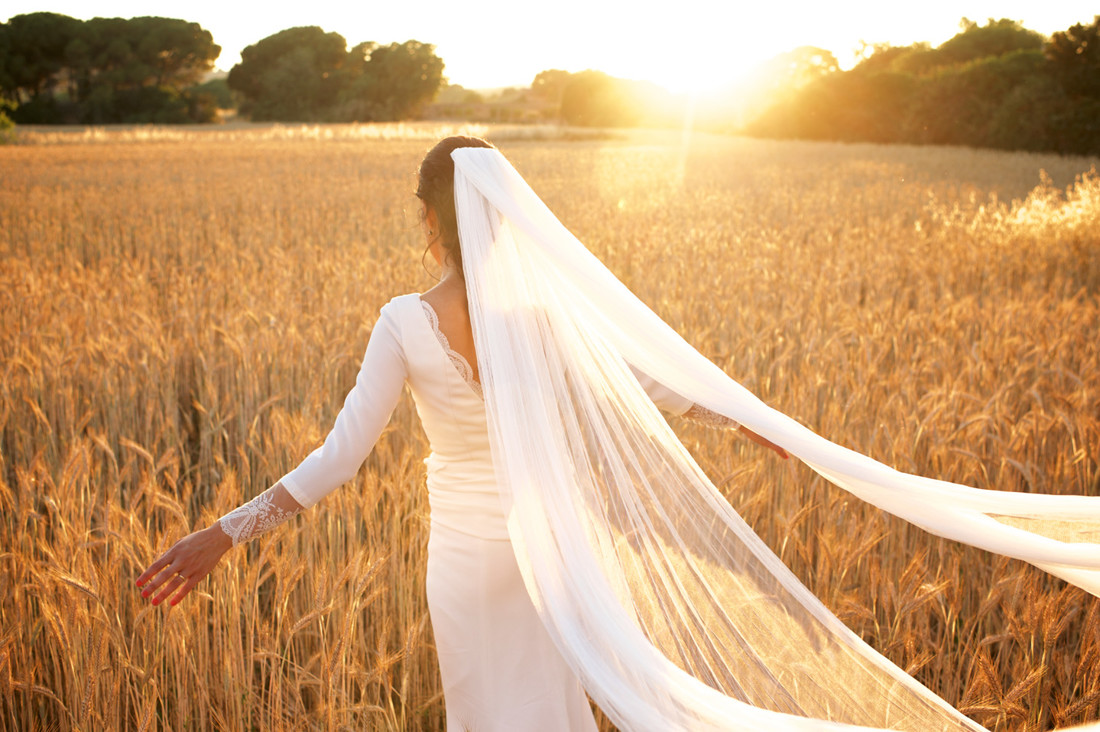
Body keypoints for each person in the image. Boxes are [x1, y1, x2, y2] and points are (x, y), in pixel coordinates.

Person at [138, 137, 1100, 731]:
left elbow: (339, 458)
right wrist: (756, 422)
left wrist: (222, 532)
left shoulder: (403, 320)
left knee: (486, 716)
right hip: (551, 551)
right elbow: (653, 387)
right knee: (556, 714)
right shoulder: (544, 322)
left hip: (467, 562)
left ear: (430, 222)